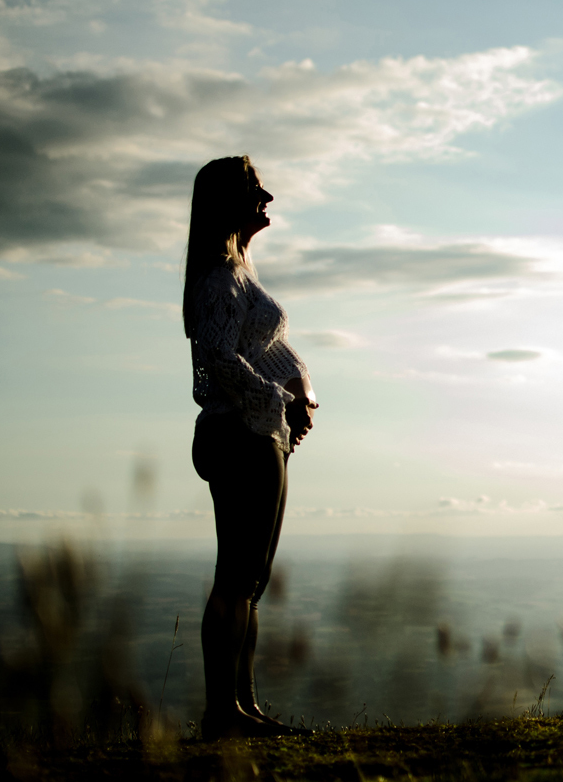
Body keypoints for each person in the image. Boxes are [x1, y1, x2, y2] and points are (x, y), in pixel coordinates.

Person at [183, 155, 318, 738]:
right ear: (227, 202)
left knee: (250, 581)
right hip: (241, 434)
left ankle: (243, 706)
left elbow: (260, 351)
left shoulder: (241, 272)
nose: (267, 195)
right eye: (253, 187)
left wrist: (300, 394)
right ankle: (223, 713)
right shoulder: (219, 276)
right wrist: (280, 399)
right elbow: (218, 357)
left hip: (260, 432)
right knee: (237, 576)